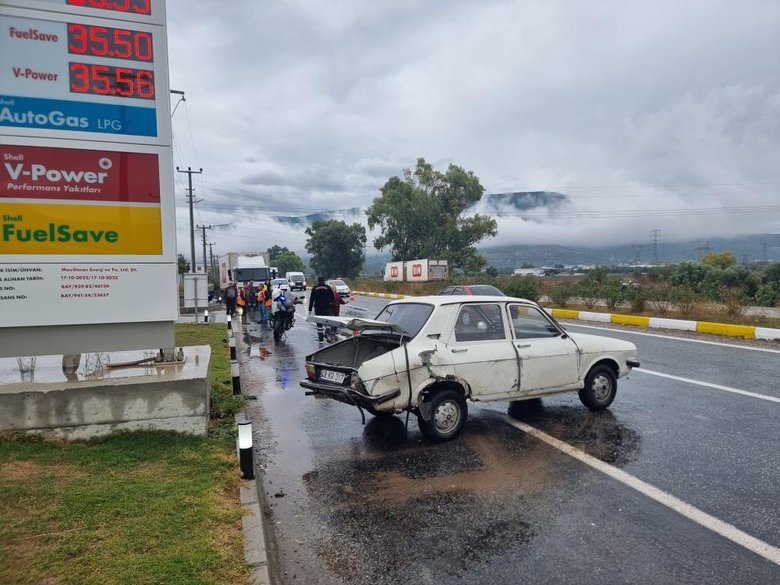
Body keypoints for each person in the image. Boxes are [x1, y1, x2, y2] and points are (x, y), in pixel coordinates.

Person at [308, 275, 335, 342]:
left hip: (318, 308)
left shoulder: (315, 288)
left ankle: (321, 340)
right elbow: (332, 298)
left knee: (319, 324)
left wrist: (310, 310)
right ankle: (327, 330)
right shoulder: (328, 287)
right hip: (326, 307)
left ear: (318, 281)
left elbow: (311, 300)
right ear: (324, 280)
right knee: (327, 321)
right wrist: (329, 302)